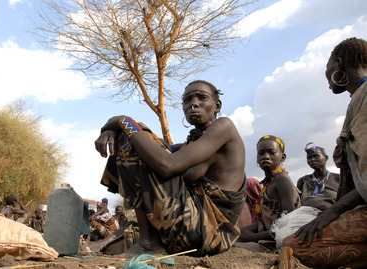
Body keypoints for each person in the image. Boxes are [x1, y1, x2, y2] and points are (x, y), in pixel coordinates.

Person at [95, 80, 246, 256]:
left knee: (135, 132)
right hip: (193, 231)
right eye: (187, 100)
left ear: (216, 105)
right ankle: (148, 242)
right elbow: (157, 151)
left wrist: (123, 121)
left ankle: (149, 244)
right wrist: (115, 130)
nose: (194, 104)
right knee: (136, 139)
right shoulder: (195, 141)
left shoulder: (224, 127)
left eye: (202, 98)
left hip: (205, 232)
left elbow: (167, 164)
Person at [283, 37, 367, 268]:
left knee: (293, 248)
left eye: (327, 67)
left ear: (338, 63)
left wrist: (333, 212)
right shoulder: (357, 101)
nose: (326, 76)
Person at [236, 135, 300, 252]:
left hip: (276, 244)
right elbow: (264, 223)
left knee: (230, 248)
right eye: (261, 153)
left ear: (282, 157)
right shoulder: (269, 183)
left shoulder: (281, 180)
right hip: (266, 239)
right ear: (256, 158)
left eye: (271, 153)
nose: (266, 157)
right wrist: (238, 232)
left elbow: (289, 224)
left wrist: (254, 237)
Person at [296, 142, 340, 210]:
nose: (312, 160)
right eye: (309, 158)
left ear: (326, 158)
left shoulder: (338, 179)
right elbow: (297, 202)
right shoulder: (303, 181)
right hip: (305, 216)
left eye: (316, 156)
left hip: (333, 215)